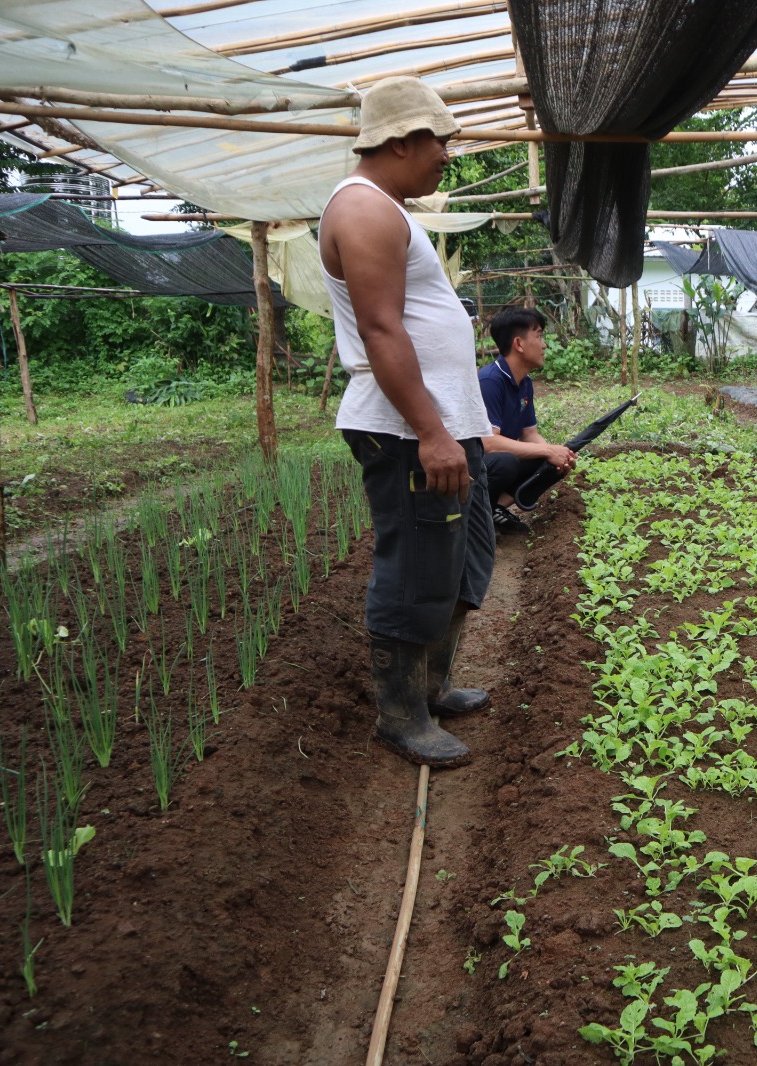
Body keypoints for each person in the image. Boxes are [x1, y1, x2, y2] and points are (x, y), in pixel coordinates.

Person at [319, 76, 495, 768]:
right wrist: (431, 432)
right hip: (405, 430)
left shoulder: (390, 209)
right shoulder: (363, 208)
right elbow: (381, 330)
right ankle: (400, 715)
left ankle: (431, 687)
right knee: (414, 568)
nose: (447, 154)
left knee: (460, 561)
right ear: (400, 141)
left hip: (444, 424)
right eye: (439, 141)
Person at [478, 306, 577, 535]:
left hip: (497, 459)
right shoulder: (489, 381)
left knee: (549, 463)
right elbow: (488, 443)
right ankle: (478, 517)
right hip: (473, 463)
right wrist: (548, 451)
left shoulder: (525, 383)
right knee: (505, 463)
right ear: (519, 344)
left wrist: (557, 455)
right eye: (539, 336)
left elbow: (529, 434)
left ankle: (495, 508)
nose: (544, 345)